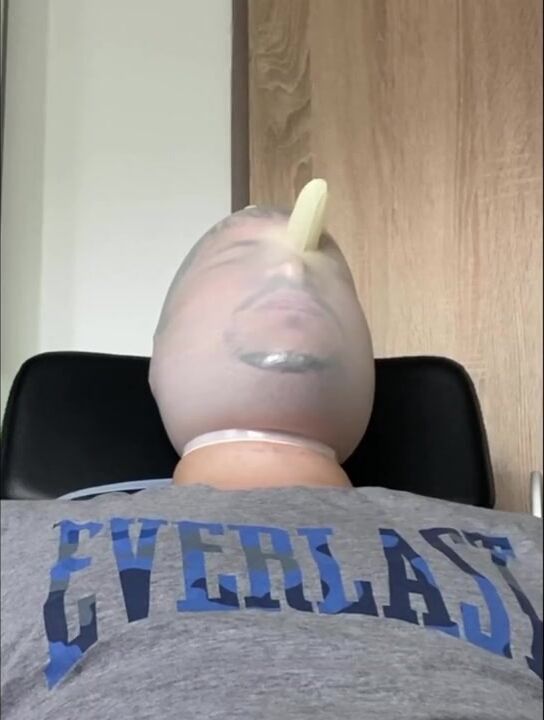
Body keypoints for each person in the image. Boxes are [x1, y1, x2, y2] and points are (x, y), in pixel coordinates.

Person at [0, 182, 542, 719]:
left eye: (329, 279)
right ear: (159, 355)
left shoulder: (527, 546)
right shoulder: (13, 540)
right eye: (240, 260)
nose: (291, 273)